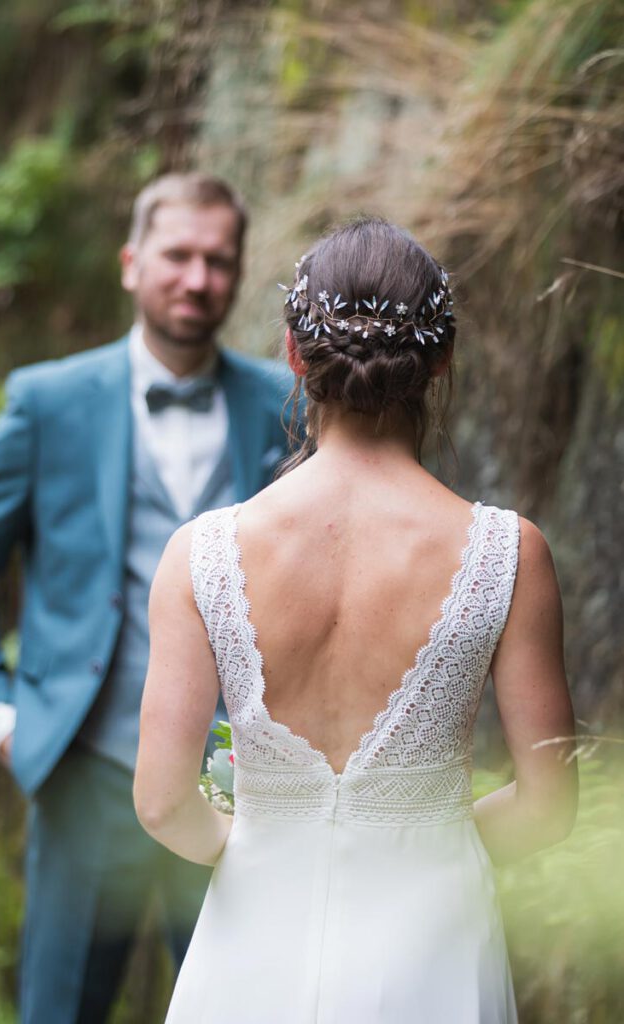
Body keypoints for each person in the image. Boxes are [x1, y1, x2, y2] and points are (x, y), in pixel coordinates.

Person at [133, 217, 579, 1023]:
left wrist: (264, 849)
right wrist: (430, 839)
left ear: (295, 358)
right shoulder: (508, 554)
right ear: (440, 361)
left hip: (251, 946)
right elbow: (547, 805)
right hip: (433, 945)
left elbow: (163, 803)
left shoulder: (201, 555)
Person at [0, 172, 293, 1022]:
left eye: (218, 259)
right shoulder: (47, 402)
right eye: (177, 255)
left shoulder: (283, 407)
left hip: (231, 783)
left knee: (233, 1006)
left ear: (238, 272)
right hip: (82, 770)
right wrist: (2, 718)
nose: (198, 278)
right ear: (132, 264)